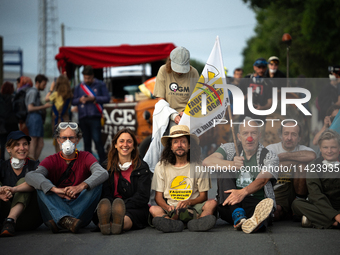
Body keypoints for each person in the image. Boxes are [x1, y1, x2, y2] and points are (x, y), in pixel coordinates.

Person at [25, 122, 109, 233]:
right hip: (62, 207)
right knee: (42, 184)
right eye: (64, 138)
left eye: (71, 138)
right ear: (58, 140)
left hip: (79, 210)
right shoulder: (51, 160)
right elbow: (31, 176)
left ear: (77, 140)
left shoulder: (86, 156)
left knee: (97, 183)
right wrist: (54, 189)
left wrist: (80, 187)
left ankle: (60, 220)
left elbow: (102, 173)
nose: (67, 141)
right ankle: (65, 220)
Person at [202, 117, 279, 233]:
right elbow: (206, 162)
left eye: (253, 133)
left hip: (255, 202)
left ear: (260, 135)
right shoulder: (229, 149)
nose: (250, 138)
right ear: (238, 137)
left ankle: (254, 222)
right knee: (223, 168)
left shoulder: (269, 156)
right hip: (230, 204)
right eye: (245, 133)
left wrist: (242, 192)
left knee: (264, 211)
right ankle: (239, 215)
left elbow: (262, 180)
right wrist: (232, 164)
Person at [149, 125, 217, 233]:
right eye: (175, 142)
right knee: (153, 209)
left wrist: (189, 202)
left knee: (212, 203)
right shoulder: (161, 166)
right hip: (171, 208)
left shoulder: (200, 165)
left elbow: (204, 196)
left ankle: (199, 221)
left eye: (183, 142)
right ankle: (171, 222)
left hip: (194, 207)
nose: (179, 145)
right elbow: (158, 197)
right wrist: (167, 207)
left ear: (189, 145)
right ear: (171, 146)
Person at [94, 128, 151, 235]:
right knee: (103, 211)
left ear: (134, 146)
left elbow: (142, 196)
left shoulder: (142, 167)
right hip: (110, 207)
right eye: (121, 141)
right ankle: (109, 223)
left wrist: (121, 206)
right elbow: (104, 194)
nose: (125, 144)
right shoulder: (105, 166)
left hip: (135, 207)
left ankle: (113, 225)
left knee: (125, 218)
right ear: (115, 145)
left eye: (129, 141)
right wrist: (113, 207)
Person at [266, 121, 316, 220]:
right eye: (286, 133)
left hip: (297, 189)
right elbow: (271, 167)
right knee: (274, 214)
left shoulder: (305, 149)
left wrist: (283, 156)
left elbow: (312, 156)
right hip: (279, 189)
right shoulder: (271, 149)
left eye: (294, 134)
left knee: (302, 167)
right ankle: (287, 212)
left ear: (299, 138)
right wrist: (297, 160)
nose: (289, 138)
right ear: (281, 135)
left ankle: (298, 204)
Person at [292, 130, 340, 229]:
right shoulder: (313, 165)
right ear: (320, 149)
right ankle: (335, 223)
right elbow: (315, 195)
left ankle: (316, 221)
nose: (329, 151)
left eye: (333, 147)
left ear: (339, 148)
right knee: (296, 204)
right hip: (322, 206)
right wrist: (336, 216)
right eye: (325, 147)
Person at [0, 131, 42, 237]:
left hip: (29, 218)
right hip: (3, 221)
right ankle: (8, 222)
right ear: (8, 149)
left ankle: (10, 220)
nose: (22, 148)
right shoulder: (2, 166)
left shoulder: (35, 165)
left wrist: (14, 189)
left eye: (25, 144)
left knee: (26, 180)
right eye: (17, 145)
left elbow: (39, 183)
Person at [72, 65, 110, 164]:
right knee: (86, 142)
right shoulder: (79, 87)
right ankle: (88, 164)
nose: (87, 80)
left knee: (98, 141)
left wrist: (94, 98)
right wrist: (80, 100)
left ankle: (103, 163)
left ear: (93, 76)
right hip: (83, 117)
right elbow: (73, 101)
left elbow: (107, 98)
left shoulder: (100, 84)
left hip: (95, 116)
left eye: (88, 78)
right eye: (85, 78)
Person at [153, 46, 199, 126]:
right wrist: (173, 115)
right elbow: (160, 100)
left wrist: (187, 113)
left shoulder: (193, 73)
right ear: (170, 61)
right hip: (168, 115)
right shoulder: (163, 71)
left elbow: (197, 99)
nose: (179, 71)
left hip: (189, 116)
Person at [25, 74, 52, 160]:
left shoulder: (35, 92)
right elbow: (30, 108)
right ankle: (31, 163)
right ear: (37, 82)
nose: (44, 86)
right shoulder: (33, 92)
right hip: (34, 118)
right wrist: (44, 106)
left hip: (37, 118)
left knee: (40, 143)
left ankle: (33, 162)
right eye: (43, 84)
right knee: (34, 142)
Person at [45, 74, 73, 152]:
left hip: (56, 119)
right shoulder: (69, 95)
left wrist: (51, 89)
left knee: (57, 139)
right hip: (65, 117)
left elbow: (46, 98)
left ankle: (58, 156)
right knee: (66, 139)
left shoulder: (55, 94)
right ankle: (66, 155)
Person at [240, 58, 273, 122]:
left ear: (266, 68)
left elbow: (270, 103)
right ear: (254, 67)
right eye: (259, 67)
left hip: (260, 119)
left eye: (263, 67)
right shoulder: (245, 80)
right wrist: (247, 96)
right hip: (244, 117)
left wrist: (261, 108)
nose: (261, 69)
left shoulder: (268, 83)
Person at [0, 82, 19, 160]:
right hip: (12, 124)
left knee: (2, 144)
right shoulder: (13, 98)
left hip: (2, 125)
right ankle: (13, 160)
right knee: (13, 144)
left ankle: (2, 161)